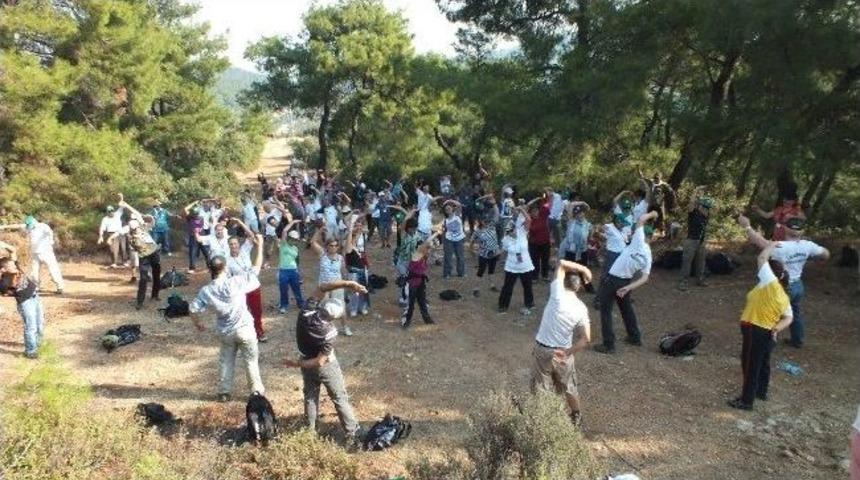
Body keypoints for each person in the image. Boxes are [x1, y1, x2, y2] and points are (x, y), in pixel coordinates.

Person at [284, 281, 366, 445]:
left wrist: (348, 283)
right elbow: (321, 361)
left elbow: (322, 287)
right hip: (325, 366)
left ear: (322, 307)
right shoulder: (330, 332)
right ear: (334, 317)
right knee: (339, 397)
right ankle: (352, 432)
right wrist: (296, 364)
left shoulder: (306, 312)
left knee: (310, 396)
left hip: (305, 360)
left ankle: (309, 432)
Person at [728, 215, 794, 410]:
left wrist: (772, 245)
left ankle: (746, 401)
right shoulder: (783, 294)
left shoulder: (770, 283)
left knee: (750, 364)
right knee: (762, 363)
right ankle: (761, 392)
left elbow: (762, 257)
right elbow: (789, 317)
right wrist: (776, 329)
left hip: (755, 329)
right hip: (766, 332)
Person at [189, 242, 265, 403]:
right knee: (251, 361)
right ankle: (256, 390)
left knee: (226, 361)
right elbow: (256, 268)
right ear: (225, 268)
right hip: (245, 328)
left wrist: (198, 323)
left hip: (226, 331)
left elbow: (193, 309)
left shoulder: (207, 290)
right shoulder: (236, 282)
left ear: (210, 270)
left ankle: (224, 392)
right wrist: (260, 246)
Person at [745, 215, 829, 348]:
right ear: (802, 231)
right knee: (794, 312)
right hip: (797, 285)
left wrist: (747, 226)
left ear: (784, 228)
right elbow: (826, 254)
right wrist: (812, 258)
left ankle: (767, 342)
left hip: (782, 286)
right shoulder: (808, 245)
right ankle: (797, 340)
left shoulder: (780, 247)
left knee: (772, 313)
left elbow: (759, 242)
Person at [531, 260, 592, 426]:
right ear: (578, 287)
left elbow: (561, 264)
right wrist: (568, 352)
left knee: (541, 387)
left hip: (543, 350)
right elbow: (585, 339)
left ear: (563, 283)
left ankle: (544, 422)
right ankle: (576, 417)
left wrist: (584, 269)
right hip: (563, 353)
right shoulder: (581, 308)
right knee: (569, 386)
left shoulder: (557, 294)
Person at [594, 211, 658, 354]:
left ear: (641, 234)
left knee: (605, 311)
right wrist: (628, 287)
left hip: (613, 279)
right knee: (626, 309)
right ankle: (635, 337)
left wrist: (652, 213)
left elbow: (641, 219)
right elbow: (644, 278)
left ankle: (608, 344)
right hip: (625, 282)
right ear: (652, 238)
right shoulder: (648, 256)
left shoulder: (638, 241)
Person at [107, 196, 161, 309]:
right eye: (133, 226)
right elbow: (118, 232)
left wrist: (126, 205)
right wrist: (110, 238)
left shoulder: (142, 225)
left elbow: (137, 213)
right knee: (143, 279)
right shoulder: (128, 228)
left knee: (156, 274)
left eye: (136, 225)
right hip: (143, 255)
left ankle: (155, 295)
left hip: (154, 251)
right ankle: (140, 302)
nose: (135, 228)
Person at [226, 219, 268, 342]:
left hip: (254, 286)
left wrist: (240, 222)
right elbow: (229, 278)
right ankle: (243, 334)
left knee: (257, 312)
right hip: (241, 290)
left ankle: (259, 332)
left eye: (235, 243)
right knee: (242, 313)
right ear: (228, 246)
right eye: (231, 244)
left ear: (238, 244)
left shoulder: (244, 250)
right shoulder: (227, 260)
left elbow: (251, 236)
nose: (233, 246)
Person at [0, 216, 65, 294]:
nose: (28, 227)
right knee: (34, 272)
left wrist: (51, 241)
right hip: (35, 254)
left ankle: (60, 287)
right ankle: (36, 287)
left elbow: (50, 232)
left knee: (53, 270)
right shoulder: (29, 227)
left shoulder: (43, 226)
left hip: (46, 252)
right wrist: (3, 227)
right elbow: (18, 226)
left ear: (34, 222)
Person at [0, 249, 44, 359]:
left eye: (13, 264)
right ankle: (30, 351)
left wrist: (5, 245)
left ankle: (38, 342)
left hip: (35, 296)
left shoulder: (16, 268)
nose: (14, 266)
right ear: (4, 269)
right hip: (26, 303)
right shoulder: (5, 281)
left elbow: (13, 251)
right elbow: (4, 292)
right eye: (11, 265)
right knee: (31, 326)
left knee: (40, 322)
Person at [310, 226, 351, 336]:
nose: (333, 247)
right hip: (324, 285)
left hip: (337, 285)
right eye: (331, 245)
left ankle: (345, 327)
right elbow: (312, 242)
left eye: (335, 245)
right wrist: (319, 231)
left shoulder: (340, 258)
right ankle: (324, 328)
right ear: (327, 246)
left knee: (340, 306)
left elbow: (343, 271)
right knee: (323, 308)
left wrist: (347, 284)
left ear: (338, 247)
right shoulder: (322, 254)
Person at [498, 206, 535, 316]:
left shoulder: (522, 232)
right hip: (511, 266)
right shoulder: (505, 240)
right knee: (507, 286)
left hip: (525, 265)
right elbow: (504, 252)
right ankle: (503, 305)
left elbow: (529, 220)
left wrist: (521, 209)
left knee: (527, 285)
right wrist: (499, 261)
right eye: (509, 230)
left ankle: (529, 303)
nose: (512, 231)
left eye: (513, 229)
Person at [402, 229, 442, 328]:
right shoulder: (416, 254)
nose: (428, 249)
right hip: (412, 284)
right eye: (426, 248)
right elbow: (426, 243)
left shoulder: (424, 256)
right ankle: (406, 322)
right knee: (410, 305)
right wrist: (436, 233)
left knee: (422, 302)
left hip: (420, 283)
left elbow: (429, 245)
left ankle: (427, 319)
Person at [678, 187, 712, 291]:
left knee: (701, 261)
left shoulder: (706, 215)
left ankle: (700, 279)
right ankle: (683, 282)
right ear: (700, 205)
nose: (706, 209)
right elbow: (691, 203)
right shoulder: (693, 212)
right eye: (704, 207)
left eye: (707, 208)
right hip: (691, 240)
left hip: (701, 240)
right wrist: (695, 190)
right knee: (687, 262)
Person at [558, 203, 594, 292]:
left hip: (582, 250)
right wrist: (582, 203)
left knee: (583, 269)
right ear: (575, 215)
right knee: (569, 269)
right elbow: (569, 206)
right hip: (570, 250)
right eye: (578, 213)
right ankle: (567, 287)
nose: (580, 215)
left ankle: (588, 287)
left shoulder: (588, 225)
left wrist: (588, 241)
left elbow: (590, 236)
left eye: (581, 213)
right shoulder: (571, 222)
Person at [343, 217, 370, 317]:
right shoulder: (348, 246)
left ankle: (362, 307)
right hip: (353, 271)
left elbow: (365, 230)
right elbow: (349, 241)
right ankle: (353, 308)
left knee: (363, 289)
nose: (358, 228)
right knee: (354, 290)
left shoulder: (360, 241)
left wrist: (358, 228)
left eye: (360, 226)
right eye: (356, 226)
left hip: (362, 269)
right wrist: (351, 228)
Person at [276, 221, 304, 315]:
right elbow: (284, 231)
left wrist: (299, 272)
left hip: (293, 271)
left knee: (296, 288)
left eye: (295, 239)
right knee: (283, 289)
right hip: (283, 271)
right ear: (289, 238)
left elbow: (297, 261)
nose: (294, 241)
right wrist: (293, 222)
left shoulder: (295, 248)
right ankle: (284, 305)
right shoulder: (283, 245)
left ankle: (300, 304)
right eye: (292, 239)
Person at [471, 218, 500, 295]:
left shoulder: (492, 227)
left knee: (492, 270)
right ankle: (476, 289)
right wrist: (472, 251)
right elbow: (471, 241)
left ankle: (492, 285)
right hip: (484, 254)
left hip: (494, 253)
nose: (487, 222)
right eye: (485, 221)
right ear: (481, 221)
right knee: (481, 271)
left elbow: (496, 239)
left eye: (488, 220)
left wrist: (497, 250)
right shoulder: (478, 231)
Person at [526, 196, 552, 282]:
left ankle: (545, 276)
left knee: (545, 259)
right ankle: (534, 276)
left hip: (545, 242)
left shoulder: (543, 215)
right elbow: (527, 206)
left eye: (536, 210)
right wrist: (535, 198)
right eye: (533, 211)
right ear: (530, 213)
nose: (535, 212)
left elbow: (547, 203)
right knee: (534, 260)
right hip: (534, 243)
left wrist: (541, 198)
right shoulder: (529, 220)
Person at [441, 199, 466, 278]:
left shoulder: (458, 215)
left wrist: (449, 201)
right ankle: (447, 273)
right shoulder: (445, 220)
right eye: (446, 209)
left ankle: (461, 272)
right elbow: (444, 231)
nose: (447, 210)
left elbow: (459, 205)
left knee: (460, 256)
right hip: (449, 240)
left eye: (449, 208)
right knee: (448, 256)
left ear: (452, 209)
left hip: (459, 239)